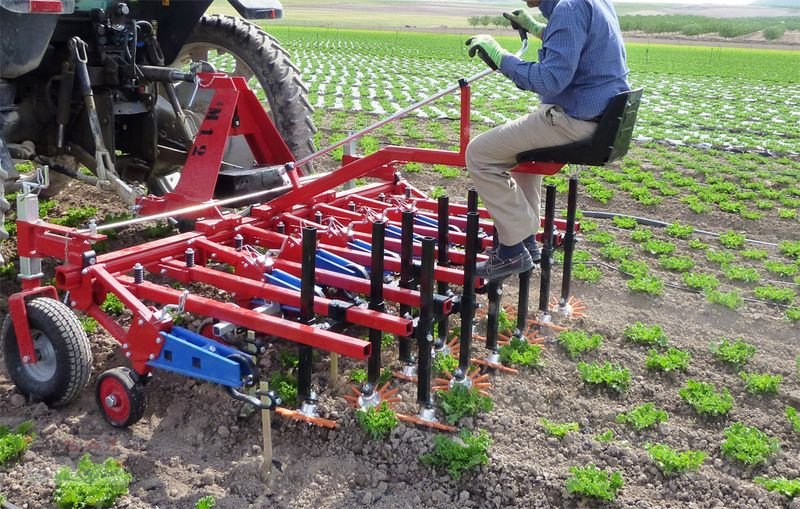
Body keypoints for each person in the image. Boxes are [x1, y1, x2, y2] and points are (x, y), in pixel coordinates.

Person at [464, 0, 630, 280]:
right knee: (520, 158)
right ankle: (527, 240)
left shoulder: (568, 8)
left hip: (575, 120)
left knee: (479, 154)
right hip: (599, 118)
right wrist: (537, 28)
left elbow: (549, 80)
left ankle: (513, 250)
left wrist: (500, 56)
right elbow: (576, 39)